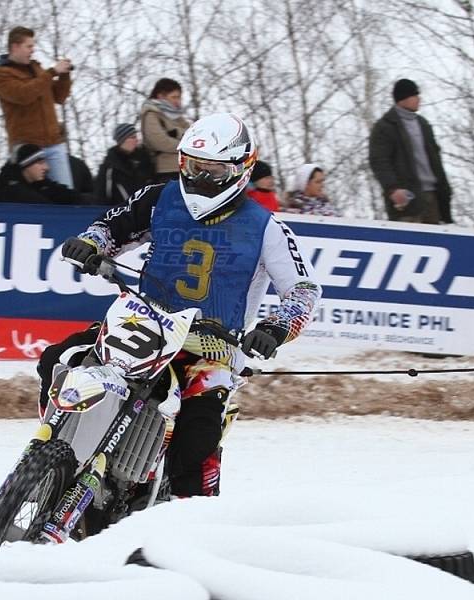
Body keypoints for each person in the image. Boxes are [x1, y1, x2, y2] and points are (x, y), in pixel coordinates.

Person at [53, 112, 321, 501]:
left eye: (213, 171)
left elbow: (303, 289)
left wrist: (275, 327)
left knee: (196, 439)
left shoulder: (267, 228)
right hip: (143, 325)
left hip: (212, 347)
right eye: (194, 167)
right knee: (57, 359)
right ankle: (52, 452)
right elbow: (111, 229)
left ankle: (185, 518)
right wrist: (90, 244)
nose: (200, 179)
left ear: (239, 169)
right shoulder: (159, 197)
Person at [0, 26, 74, 188]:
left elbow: (59, 97)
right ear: (15, 47)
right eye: (29, 46)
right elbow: (24, 95)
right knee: (33, 198)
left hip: (53, 143)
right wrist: (51, 72)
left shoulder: (37, 69)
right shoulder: (2, 74)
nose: (32, 50)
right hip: (27, 148)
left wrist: (64, 76)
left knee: (66, 196)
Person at [368, 78, 453, 224]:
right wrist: (393, 189)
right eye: (414, 95)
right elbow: (379, 161)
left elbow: (435, 159)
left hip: (433, 196)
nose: (418, 99)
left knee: (434, 243)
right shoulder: (385, 127)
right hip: (407, 199)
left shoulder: (423, 124)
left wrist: (444, 190)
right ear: (402, 99)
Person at [0, 143, 89, 204]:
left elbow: (62, 193)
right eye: (40, 163)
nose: (46, 167)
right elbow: (42, 206)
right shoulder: (10, 188)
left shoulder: (40, 183)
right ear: (27, 165)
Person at [140, 78, 191, 183]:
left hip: (186, 168)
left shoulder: (176, 116)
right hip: (167, 171)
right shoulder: (151, 114)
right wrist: (186, 146)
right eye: (174, 97)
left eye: (179, 97)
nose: (178, 101)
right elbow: (159, 141)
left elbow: (193, 133)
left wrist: (176, 133)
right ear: (161, 96)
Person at [95, 123, 155, 205]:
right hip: (123, 212)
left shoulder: (144, 159)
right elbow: (103, 195)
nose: (137, 140)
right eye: (133, 137)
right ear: (123, 140)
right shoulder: (110, 167)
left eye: (136, 136)